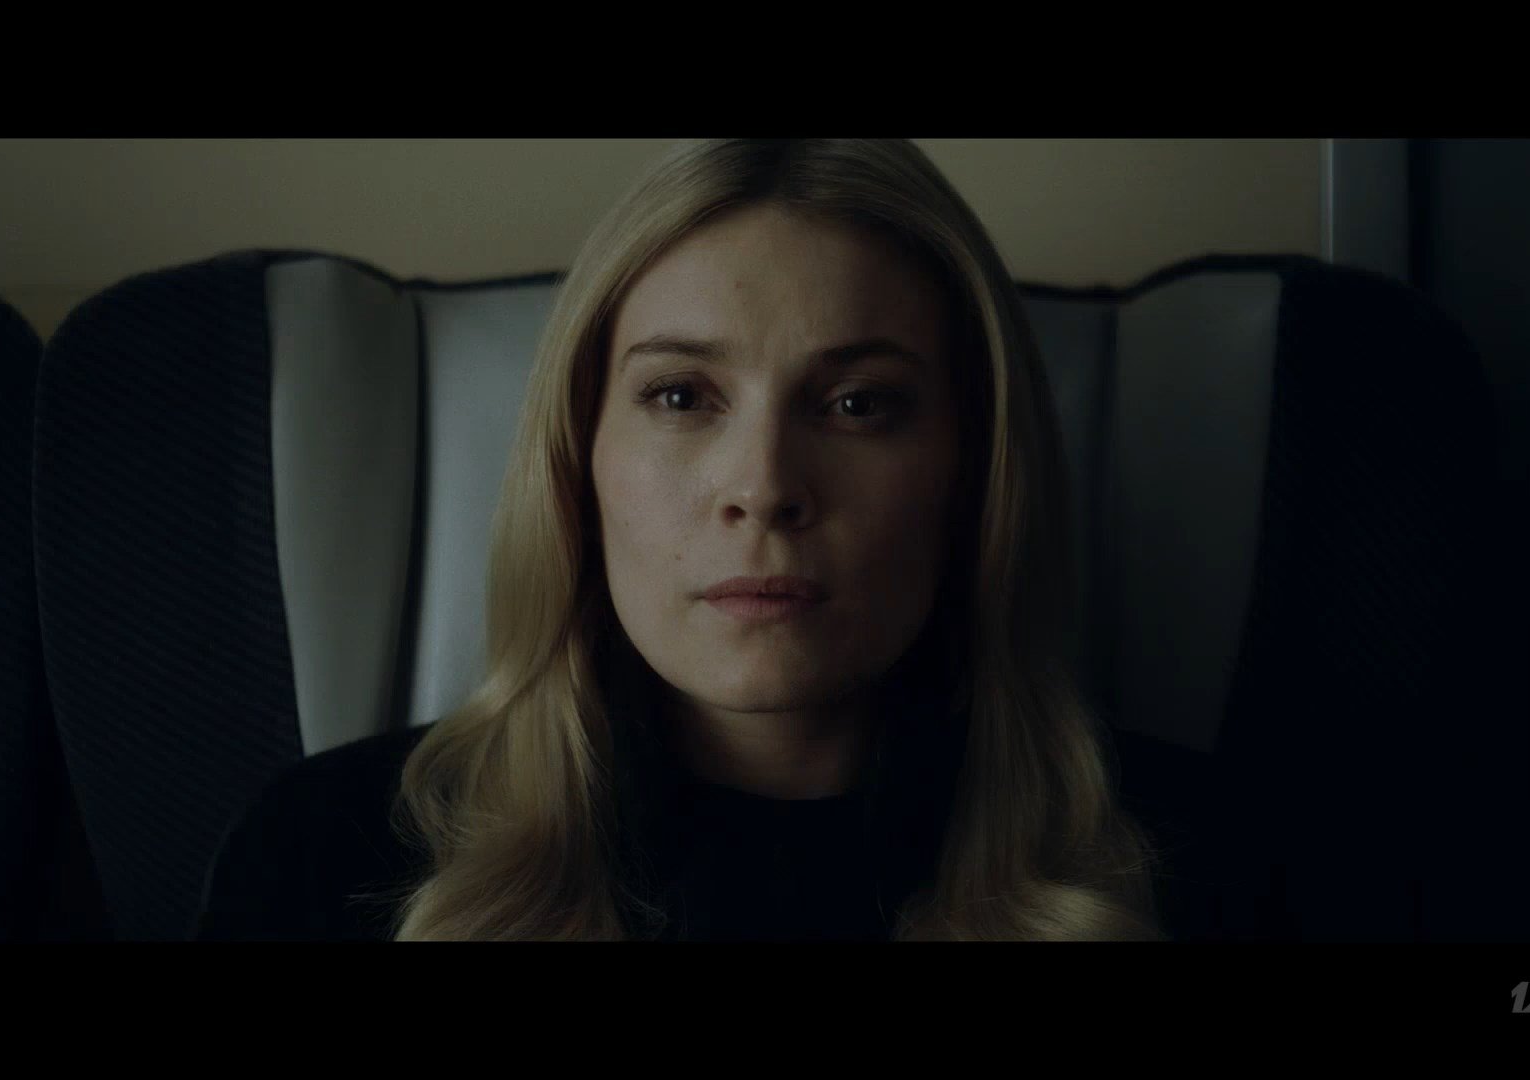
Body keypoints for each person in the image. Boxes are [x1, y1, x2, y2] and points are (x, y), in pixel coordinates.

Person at [196, 138, 1168, 942]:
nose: (763, 487)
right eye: (679, 396)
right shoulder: (324, 858)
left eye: (858, 403)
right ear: (578, 453)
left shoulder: (1193, 867)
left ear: (976, 463)